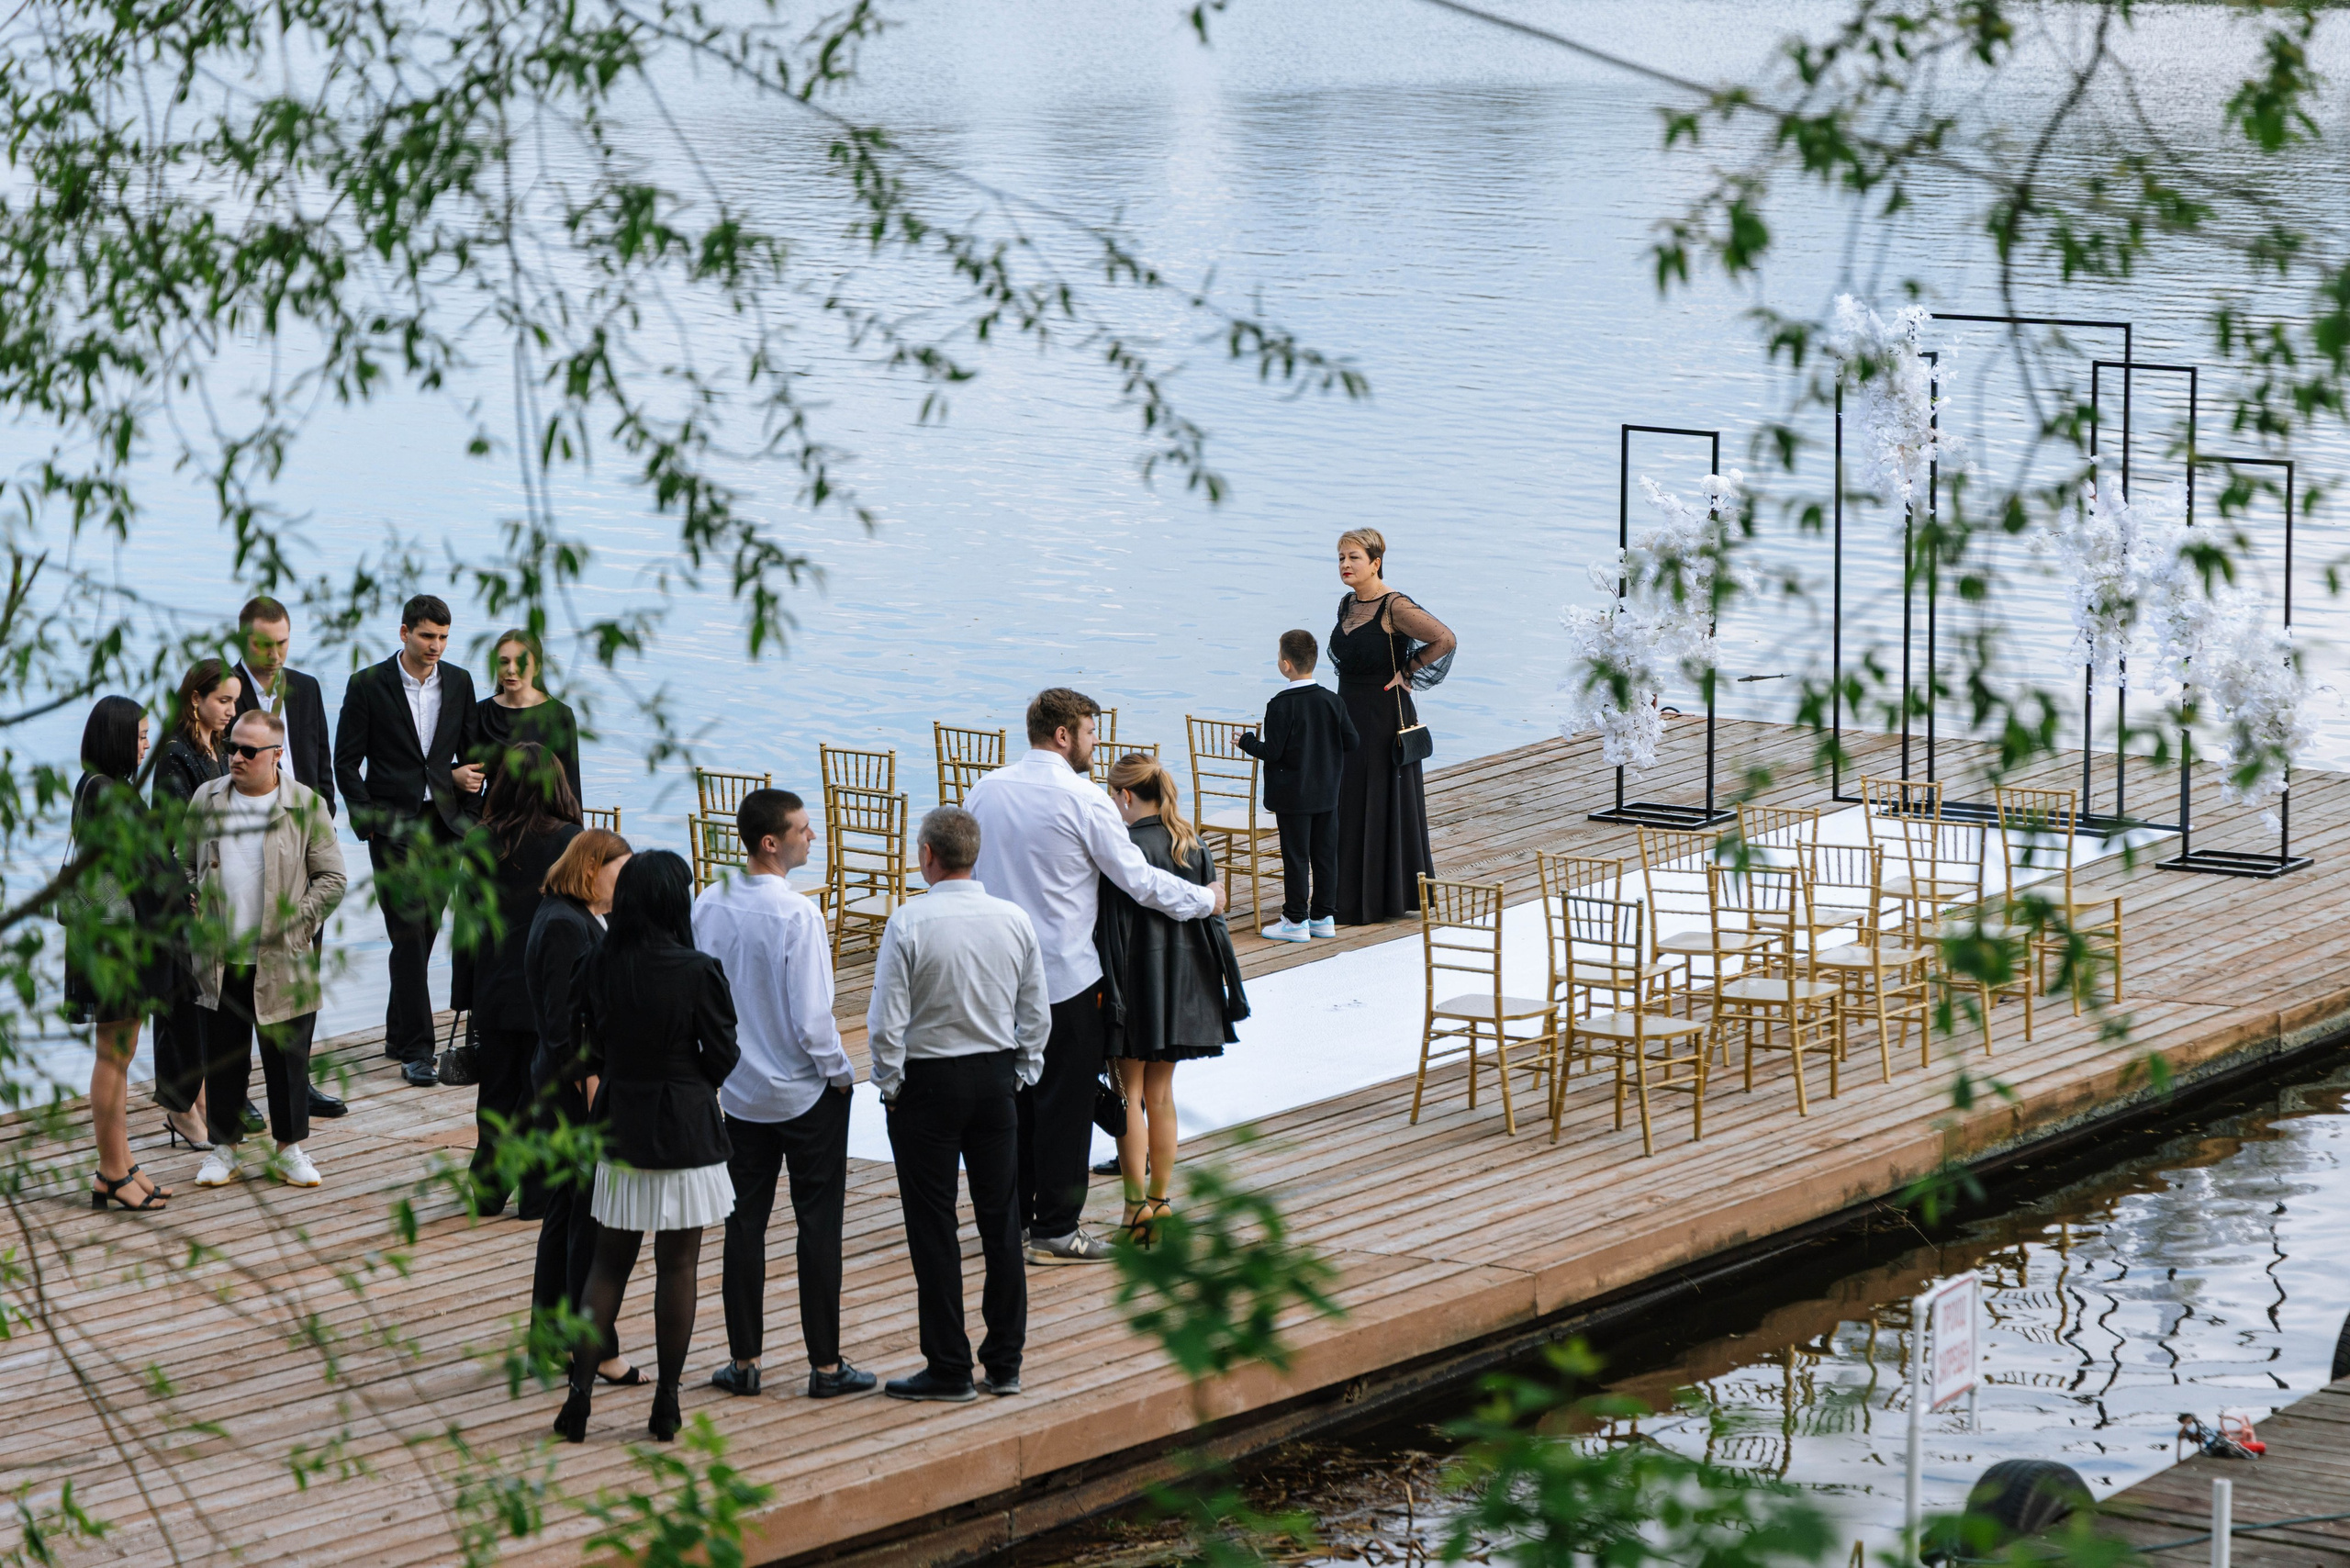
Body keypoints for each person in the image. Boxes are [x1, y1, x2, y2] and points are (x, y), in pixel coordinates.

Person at [965, 687, 1225, 1266]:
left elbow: (970, 873)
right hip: (1065, 978)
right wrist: (1206, 900)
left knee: (1012, 1104)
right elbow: (1140, 881)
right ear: (1063, 736)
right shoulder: (1085, 801)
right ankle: (1056, 1229)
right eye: (1089, 732)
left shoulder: (984, 790)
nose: (1094, 744)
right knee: (1065, 1104)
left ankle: (1012, 1222)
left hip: (996, 975)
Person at [554, 850, 738, 1445]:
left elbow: (578, 1045)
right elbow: (724, 1054)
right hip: (684, 1124)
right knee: (677, 1266)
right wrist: (691, 1081)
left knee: (607, 1264)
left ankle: (579, 1398)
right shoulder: (698, 969)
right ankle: (667, 1402)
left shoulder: (596, 963)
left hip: (620, 1123)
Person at [693, 789, 872, 1401]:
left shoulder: (708, 903)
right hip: (802, 1092)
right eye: (802, 829)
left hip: (740, 1092)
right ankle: (826, 1365)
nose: (812, 837)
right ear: (771, 843)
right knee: (817, 1226)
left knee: (743, 1224)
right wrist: (841, 1074)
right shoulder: (799, 915)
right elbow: (813, 1021)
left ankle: (744, 1360)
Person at [867, 806, 1047, 1402]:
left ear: (927, 856)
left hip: (927, 1083)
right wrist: (1022, 1071)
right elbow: (1035, 1012)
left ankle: (949, 1365)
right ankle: (1005, 1361)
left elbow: (886, 1023)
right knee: (1002, 1222)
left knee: (934, 1227)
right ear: (975, 855)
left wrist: (890, 1084)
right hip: (995, 1078)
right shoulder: (1014, 919)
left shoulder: (909, 922)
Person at [186, 711, 348, 1189]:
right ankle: (224, 1150)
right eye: (230, 747)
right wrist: (192, 902)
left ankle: (289, 1150)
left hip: (283, 957)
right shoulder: (206, 798)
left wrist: (297, 925)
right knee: (223, 1057)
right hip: (221, 956)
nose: (235, 757)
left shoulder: (306, 805)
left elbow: (333, 878)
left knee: (288, 1059)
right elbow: (183, 862)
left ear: (276, 755)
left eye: (248, 751)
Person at [334, 593, 485, 1086]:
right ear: (404, 633)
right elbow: (345, 762)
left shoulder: (459, 682)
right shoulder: (367, 684)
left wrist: (468, 808)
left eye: (443, 637)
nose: (435, 646)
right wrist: (368, 821)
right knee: (406, 928)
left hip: (443, 823)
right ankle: (419, 1050)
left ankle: (398, 1033)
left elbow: (473, 756)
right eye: (426, 636)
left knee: (426, 928)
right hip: (392, 824)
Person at [1096, 757, 1248, 1243]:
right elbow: (1213, 922)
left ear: (1125, 796)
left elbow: (1108, 927)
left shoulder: (1123, 850)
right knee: (1161, 1095)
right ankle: (1161, 1202)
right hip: (1183, 983)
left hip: (1134, 984)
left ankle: (1134, 1211)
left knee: (1128, 1095)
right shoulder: (1192, 843)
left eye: (1112, 795)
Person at [522, 826, 641, 1387]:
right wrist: (595, 1094)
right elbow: (565, 1027)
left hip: (563, 1087)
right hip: (574, 1093)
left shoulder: (572, 916)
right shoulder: (565, 926)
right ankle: (593, 1347)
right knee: (589, 1224)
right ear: (592, 869)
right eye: (622, 872)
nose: (628, 884)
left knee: (567, 1214)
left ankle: (548, 1338)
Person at [232, 598, 348, 1125]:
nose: (276, 653)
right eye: (265, 644)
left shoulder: (305, 687)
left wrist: (325, 815)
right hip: (250, 845)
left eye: (283, 642)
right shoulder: (227, 690)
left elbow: (319, 757)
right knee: (243, 976)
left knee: (302, 968)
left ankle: (297, 1085)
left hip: (304, 841)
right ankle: (236, 1091)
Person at [457, 741, 580, 1216]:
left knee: (496, 1091)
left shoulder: (480, 838)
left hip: (495, 984)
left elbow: (467, 924)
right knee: (542, 1093)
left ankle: (488, 1188)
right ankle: (536, 1193)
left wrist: (463, 994)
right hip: (550, 985)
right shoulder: (571, 839)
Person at [67, 695, 176, 1212]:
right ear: (116, 738)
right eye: (140, 736)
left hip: (114, 936)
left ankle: (123, 1165)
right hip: (115, 941)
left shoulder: (105, 787)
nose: (146, 744)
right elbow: (141, 866)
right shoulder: (105, 792)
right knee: (113, 1053)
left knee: (122, 1050)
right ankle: (111, 1171)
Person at [1328, 530, 1455, 925]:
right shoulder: (1348, 603)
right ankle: (1346, 895)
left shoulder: (1393, 606)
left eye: (1354, 558)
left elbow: (1444, 639)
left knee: (1379, 801)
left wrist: (1409, 670)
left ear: (1375, 563)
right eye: (1341, 558)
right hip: (1348, 712)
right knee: (1348, 802)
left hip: (1383, 715)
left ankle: (1381, 899)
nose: (1345, 565)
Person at [150, 658, 241, 1148]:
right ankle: (180, 1107)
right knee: (182, 1005)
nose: (231, 710)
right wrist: (189, 893)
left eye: (234, 701)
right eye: (223, 701)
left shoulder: (219, 748)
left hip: (215, 889)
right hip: (182, 894)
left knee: (208, 1003)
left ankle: (202, 1102)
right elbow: (170, 836)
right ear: (195, 699)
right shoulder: (175, 755)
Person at [1237, 629, 1360, 943]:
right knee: (1325, 857)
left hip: (1293, 797)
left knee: (1296, 858)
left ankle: (1295, 920)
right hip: (1327, 794)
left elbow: (1272, 751)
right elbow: (1352, 741)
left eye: (1279, 656)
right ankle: (1323, 917)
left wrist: (1246, 741)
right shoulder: (1333, 701)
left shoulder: (1280, 704)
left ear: (1286, 664)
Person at [474, 627, 583, 804]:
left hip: (543, 814)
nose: (511, 670)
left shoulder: (559, 715)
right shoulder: (481, 712)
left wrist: (573, 822)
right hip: (492, 814)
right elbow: (472, 778)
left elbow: (571, 783)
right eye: (504, 662)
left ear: (537, 667)